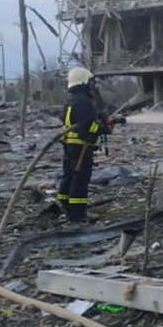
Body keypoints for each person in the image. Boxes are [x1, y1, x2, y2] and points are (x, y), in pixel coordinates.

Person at [57, 67, 114, 223]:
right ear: (83, 81)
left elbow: (69, 120)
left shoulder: (70, 99)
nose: (91, 85)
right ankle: (77, 214)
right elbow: (87, 126)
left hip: (69, 145)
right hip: (81, 146)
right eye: (89, 81)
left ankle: (65, 204)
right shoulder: (84, 100)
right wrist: (103, 129)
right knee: (80, 179)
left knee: (68, 175)